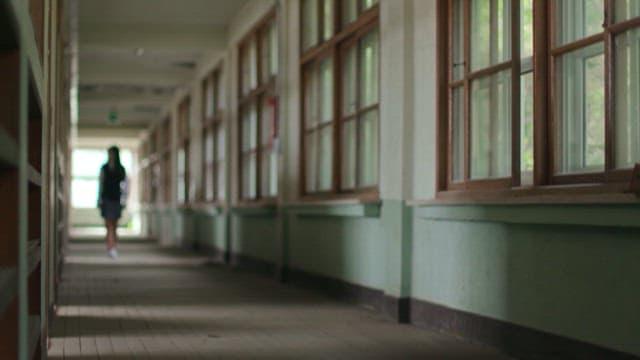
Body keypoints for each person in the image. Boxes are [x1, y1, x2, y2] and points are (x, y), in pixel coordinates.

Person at [97, 146, 127, 258]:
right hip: (106, 199)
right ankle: (111, 247)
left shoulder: (121, 169)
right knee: (108, 225)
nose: (110, 156)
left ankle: (113, 246)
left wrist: (124, 200)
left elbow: (125, 187)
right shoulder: (104, 168)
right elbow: (100, 184)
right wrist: (99, 199)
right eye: (109, 154)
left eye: (112, 154)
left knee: (114, 226)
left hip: (116, 200)